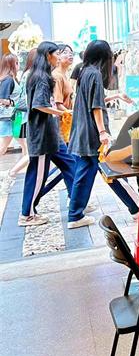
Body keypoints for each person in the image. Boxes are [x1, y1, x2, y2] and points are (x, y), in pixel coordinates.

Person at [18, 42, 76, 228]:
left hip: (51, 134)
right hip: (42, 135)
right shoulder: (41, 77)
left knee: (70, 164)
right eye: (56, 54)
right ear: (47, 55)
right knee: (37, 175)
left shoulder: (43, 76)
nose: (58, 57)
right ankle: (27, 214)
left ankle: (76, 202)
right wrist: (62, 113)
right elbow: (39, 105)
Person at [66, 39, 115, 229]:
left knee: (85, 172)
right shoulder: (94, 74)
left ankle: (75, 212)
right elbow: (96, 107)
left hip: (81, 130)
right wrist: (102, 132)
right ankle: (75, 215)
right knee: (88, 172)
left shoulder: (85, 71)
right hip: (90, 133)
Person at [6, 50, 36, 180]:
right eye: (16, 63)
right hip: (20, 116)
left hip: (18, 115)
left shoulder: (22, 75)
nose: (18, 65)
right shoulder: (12, 79)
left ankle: (22, 170)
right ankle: (13, 172)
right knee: (24, 146)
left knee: (24, 145)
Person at [52, 44, 74, 144]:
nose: (70, 55)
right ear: (57, 56)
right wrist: (72, 114)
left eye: (71, 53)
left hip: (66, 120)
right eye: (65, 52)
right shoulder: (57, 76)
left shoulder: (64, 75)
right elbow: (57, 104)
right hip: (61, 123)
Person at [0, 53, 19, 156]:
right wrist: (13, 102)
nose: (18, 65)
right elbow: (2, 99)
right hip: (8, 117)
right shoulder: (8, 79)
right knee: (3, 146)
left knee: (23, 143)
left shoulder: (9, 78)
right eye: (16, 63)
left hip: (13, 117)